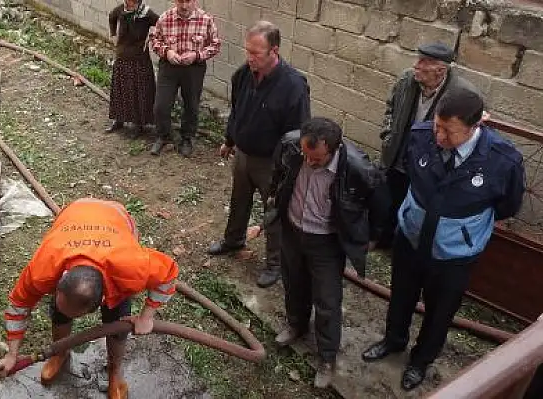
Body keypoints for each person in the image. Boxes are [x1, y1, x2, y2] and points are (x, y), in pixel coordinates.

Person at [362, 87, 525, 391]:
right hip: (411, 239)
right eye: (437, 125)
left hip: (454, 253)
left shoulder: (502, 160)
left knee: (439, 312)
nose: (439, 136)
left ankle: (420, 361)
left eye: (449, 132)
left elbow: (507, 205)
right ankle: (393, 340)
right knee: (401, 296)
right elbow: (412, 172)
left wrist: (459, 223)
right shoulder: (421, 135)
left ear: (476, 126)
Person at [0, 198, 179, 399]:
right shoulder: (44, 267)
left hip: (116, 218)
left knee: (117, 323)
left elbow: (168, 274)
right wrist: (11, 355)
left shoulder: (131, 269)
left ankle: (114, 373)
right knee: (59, 316)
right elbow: (18, 306)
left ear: (103, 299)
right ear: (61, 280)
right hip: (76, 211)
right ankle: (60, 354)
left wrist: (146, 317)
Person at [267, 117, 386, 388]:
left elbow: (380, 203)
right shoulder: (290, 145)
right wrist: (274, 200)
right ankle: (296, 325)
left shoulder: (358, 169)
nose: (309, 162)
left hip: (326, 243)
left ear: (334, 148)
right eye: (305, 156)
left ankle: (327, 357)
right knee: (293, 283)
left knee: (327, 302)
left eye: (317, 159)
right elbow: (278, 174)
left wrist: (372, 237)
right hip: (293, 231)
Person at [207, 21, 310, 288]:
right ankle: (233, 241)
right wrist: (229, 141)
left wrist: (286, 169)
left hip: (272, 163)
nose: (250, 58)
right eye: (247, 51)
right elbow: (237, 111)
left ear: (274, 50)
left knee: (274, 212)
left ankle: (275, 263)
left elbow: (297, 133)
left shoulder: (293, 85)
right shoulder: (243, 75)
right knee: (239, 199)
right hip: (243, 154)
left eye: (256, 53)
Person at [377, 42, 478, 249]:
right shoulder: (407, 79)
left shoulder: (460, 92)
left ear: (440, 70)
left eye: (423, 62)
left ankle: (403, 245)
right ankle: (382, 240)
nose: (416, 65)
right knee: (388, 199)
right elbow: (390, 107)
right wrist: (388, 134)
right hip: (399, 152)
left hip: (429, 161)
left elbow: (468, 128)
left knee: (416, 203)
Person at [148, 0, 220, 157]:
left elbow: (215, 45)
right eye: (181, 1)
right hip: (169, 67)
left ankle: (187, 138)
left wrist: (197, 55)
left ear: (195, 1)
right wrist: (167, 52)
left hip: (194, 68)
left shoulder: (206, 20)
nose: (184, 6)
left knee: (191, 106)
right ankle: (163, 136)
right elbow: (154, 39)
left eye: (188, 1)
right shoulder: (164, 18)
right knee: (161, 105)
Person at [106, 0, 159, 138]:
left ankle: (138, 124)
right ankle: (119, 120)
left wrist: (152, 35)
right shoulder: (120, 10)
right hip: (122, 58)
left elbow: (160, 23)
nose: (130, 2)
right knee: (121, 90)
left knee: (138, 91)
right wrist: (113, 35)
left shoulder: (146, 12)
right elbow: (111, 17)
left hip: (139, 60)